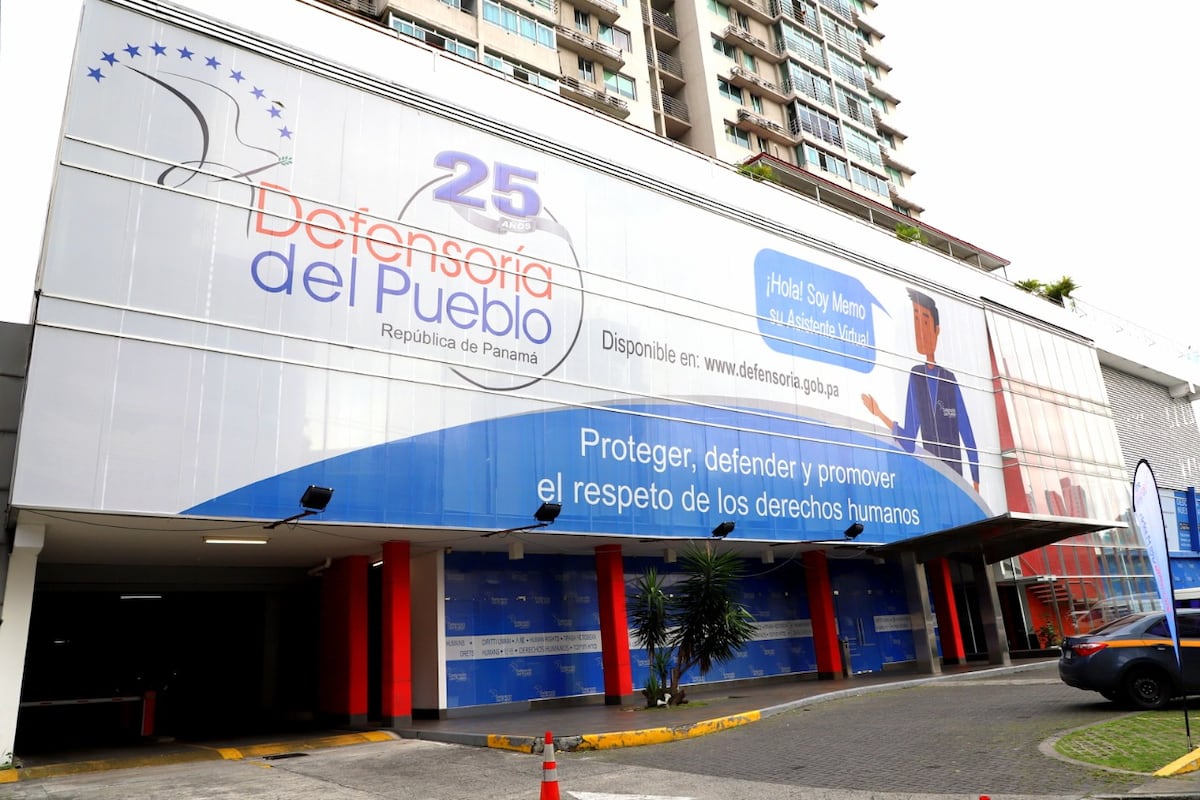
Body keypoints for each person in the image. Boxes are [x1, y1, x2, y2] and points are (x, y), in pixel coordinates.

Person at [862, 288, 980, 491]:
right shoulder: (916, 376)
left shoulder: (949, 379)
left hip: (955, 481)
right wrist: (878, 413)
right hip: (931, 479)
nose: (920, 331)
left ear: (937, 329)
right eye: (916, 321)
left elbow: (967, 434)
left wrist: (976, 481)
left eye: (924, 322)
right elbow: (909, 440)